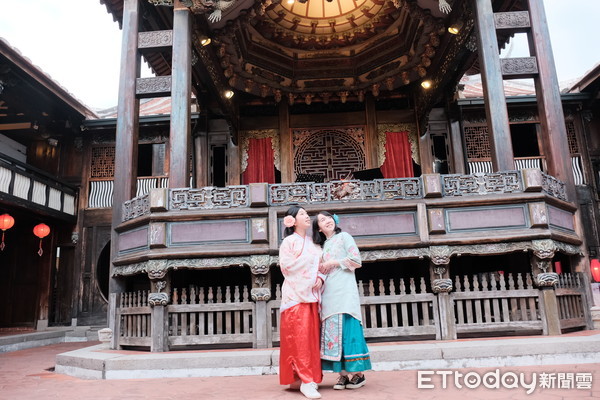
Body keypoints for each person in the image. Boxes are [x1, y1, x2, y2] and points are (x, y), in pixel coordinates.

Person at [313, 211, 371, 390]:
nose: (327, 221)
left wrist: (333, 263)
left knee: (348, 329)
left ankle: (358, 375)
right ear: (319, 229)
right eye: (322, 220)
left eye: (328, 217)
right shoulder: (322, 247)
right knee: (332, 332)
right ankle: (343, 375)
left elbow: (356, 260)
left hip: (344, 291)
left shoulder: (344, 236)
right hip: (329, 293)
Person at [278, 205, 325, 399]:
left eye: (307, 214)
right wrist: (312, 269)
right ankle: (305, 380)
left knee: (311, 339)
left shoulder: (314, 243)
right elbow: (287, 267)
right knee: (299, 339)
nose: (307, 217)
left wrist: (320, 278)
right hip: (295, 296)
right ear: (293, 221)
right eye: (302, 214)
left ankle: (308, 377)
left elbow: (322, 266)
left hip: (312, 294)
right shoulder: (288, 242)